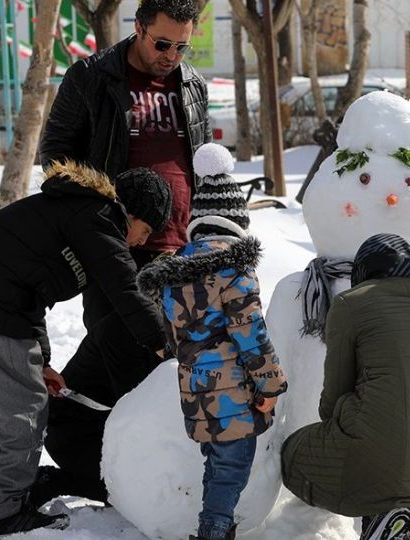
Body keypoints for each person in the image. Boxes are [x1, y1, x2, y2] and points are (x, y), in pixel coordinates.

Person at [0, 163, 171, 535]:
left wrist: (41, 361)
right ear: (134, 213)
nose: (143, 241)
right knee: (25, 411)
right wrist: (163, 345)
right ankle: (8, 510)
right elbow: (127, 292)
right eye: (147, 229)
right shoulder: (100, 220)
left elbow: (34, 294)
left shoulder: (76, 211)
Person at [283, 233, 410, 540]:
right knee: (406, 439)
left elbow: (336, 391)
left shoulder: (350, 304)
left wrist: (336, 428)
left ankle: (382, 518)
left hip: (382, 450)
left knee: (297, 454)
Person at [135, 143, 288, 540]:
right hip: (234, 390)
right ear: (237, 224)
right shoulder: (236, 272)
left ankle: (216, 525)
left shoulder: (173, 273)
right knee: (233, 466)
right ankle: (215, 530)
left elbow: (173, 334)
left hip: (195, 388)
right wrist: (271, 384)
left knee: (217, 462)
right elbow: (250, 334)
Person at [39, 0, 212, 331]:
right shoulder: (91, 77)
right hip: (115, 248)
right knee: (114, 358)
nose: (171, 55)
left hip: (180, 248)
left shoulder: (192, 84)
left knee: (176, 362)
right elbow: (56, 158)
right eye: (162, 44)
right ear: (139, 27)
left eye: (181, 47)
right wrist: (102, 220)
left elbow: (202, 161)